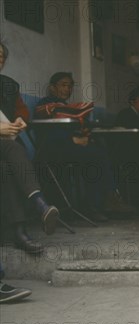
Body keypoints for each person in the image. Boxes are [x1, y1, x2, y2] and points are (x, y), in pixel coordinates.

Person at [34, 72, 134, 221]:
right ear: (52, 88)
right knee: (95, 155)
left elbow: (71, 130)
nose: (67, 89)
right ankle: (99, 203)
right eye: (63, 85)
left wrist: (83, 135)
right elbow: (49, 134)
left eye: (70, 86)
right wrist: (73, 140)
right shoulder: (46, 104)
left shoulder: (68, 107)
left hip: (67, 149)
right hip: (52, 151)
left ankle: (103, 201)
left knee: (98, 149)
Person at [1, 41, 60, 254]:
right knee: (14, 151)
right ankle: (39, 205)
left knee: (8, 164)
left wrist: (20, 119)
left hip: (5, 146)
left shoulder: (8, 85)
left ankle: (20, 232)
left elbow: (22, 110)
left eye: (1, 56)